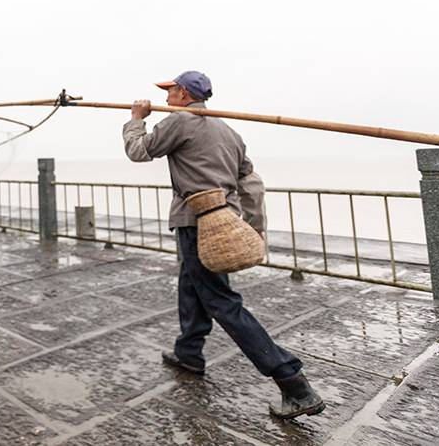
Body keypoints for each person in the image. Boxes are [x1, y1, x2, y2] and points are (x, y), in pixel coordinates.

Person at [122, 70, 325, 420]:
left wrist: (135, 120)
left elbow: (139, 152)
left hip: (196, 222)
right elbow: (252, 185)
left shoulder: (179, 121)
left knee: (222, 302)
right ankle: (189, 352)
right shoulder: (229, 131)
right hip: (226, 220)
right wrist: (255, 228)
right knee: (192, 285)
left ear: (184, 94)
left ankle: (293, 383)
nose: (166, 96)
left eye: (170, 91)